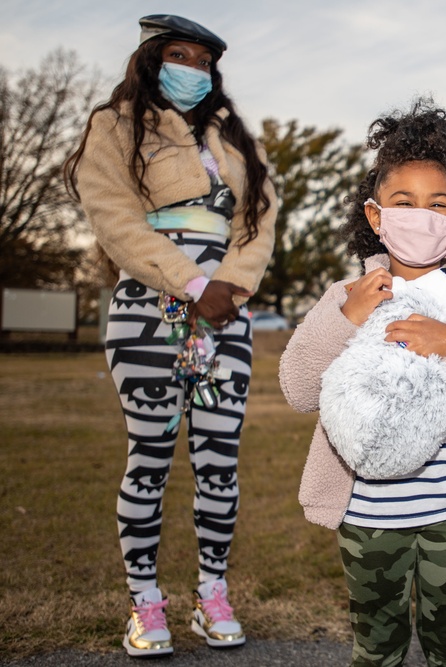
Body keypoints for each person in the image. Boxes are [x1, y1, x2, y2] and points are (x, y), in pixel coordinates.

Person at [279, 98, 446, 666]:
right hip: (368, 518)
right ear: (376, 217)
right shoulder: (344, 299)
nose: (421, 215)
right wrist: (342, 320)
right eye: (404, 202)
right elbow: (299, 389)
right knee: (377, 646)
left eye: (437, 204)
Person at [64, 14, 276, 658]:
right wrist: (191, 283)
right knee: (150, 457)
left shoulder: (238, 140)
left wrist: (229, 291)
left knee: (219, 461)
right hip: (147, 314)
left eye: (204, 60)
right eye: (179, 54)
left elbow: (259, 222)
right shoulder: (116, 126)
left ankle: (212, 595)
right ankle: (145, 604)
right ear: (152, 58)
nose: (193, 68)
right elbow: (116, 220)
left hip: (224, 321)